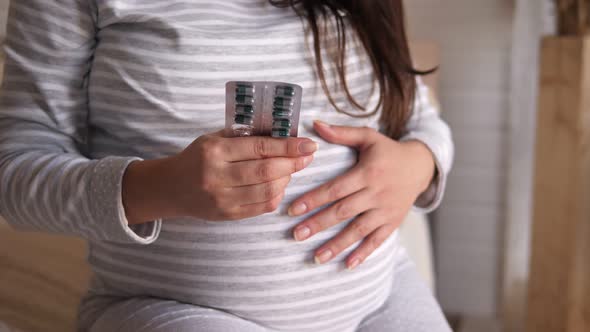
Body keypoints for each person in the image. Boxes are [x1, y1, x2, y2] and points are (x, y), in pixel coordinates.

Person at [0, 1, 454, 331]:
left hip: (380, 294)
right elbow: (13, 174)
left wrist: (420, 163)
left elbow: (417, 115)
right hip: (173, 309)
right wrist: (158, 188)